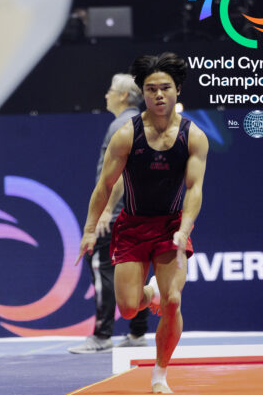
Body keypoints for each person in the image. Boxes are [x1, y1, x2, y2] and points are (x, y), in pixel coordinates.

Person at [76, 53, 209, 393]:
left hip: (171, 228)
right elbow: (105, 185)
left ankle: (159, 375)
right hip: (132, 228)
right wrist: (90, 230)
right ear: (142, 93)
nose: (158, 95)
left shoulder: (193, 137)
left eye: (165, 88)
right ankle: (149, 292)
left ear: (178, 90)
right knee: (129, 306)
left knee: (174, 300)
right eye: (151, 89)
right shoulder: (125, 135)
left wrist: (186, 226)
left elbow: (194, 189)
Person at [68, 74, 150, 354]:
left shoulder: (119, 125)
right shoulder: (143, 123)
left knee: (103, 269)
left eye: (110, 90)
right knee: (134, 272)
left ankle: (101, 336)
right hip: (138, 214)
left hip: (115, 216)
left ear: (124, 96)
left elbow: (115, 175)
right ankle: (138, 333)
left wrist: (103, 214)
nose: (106, 95)